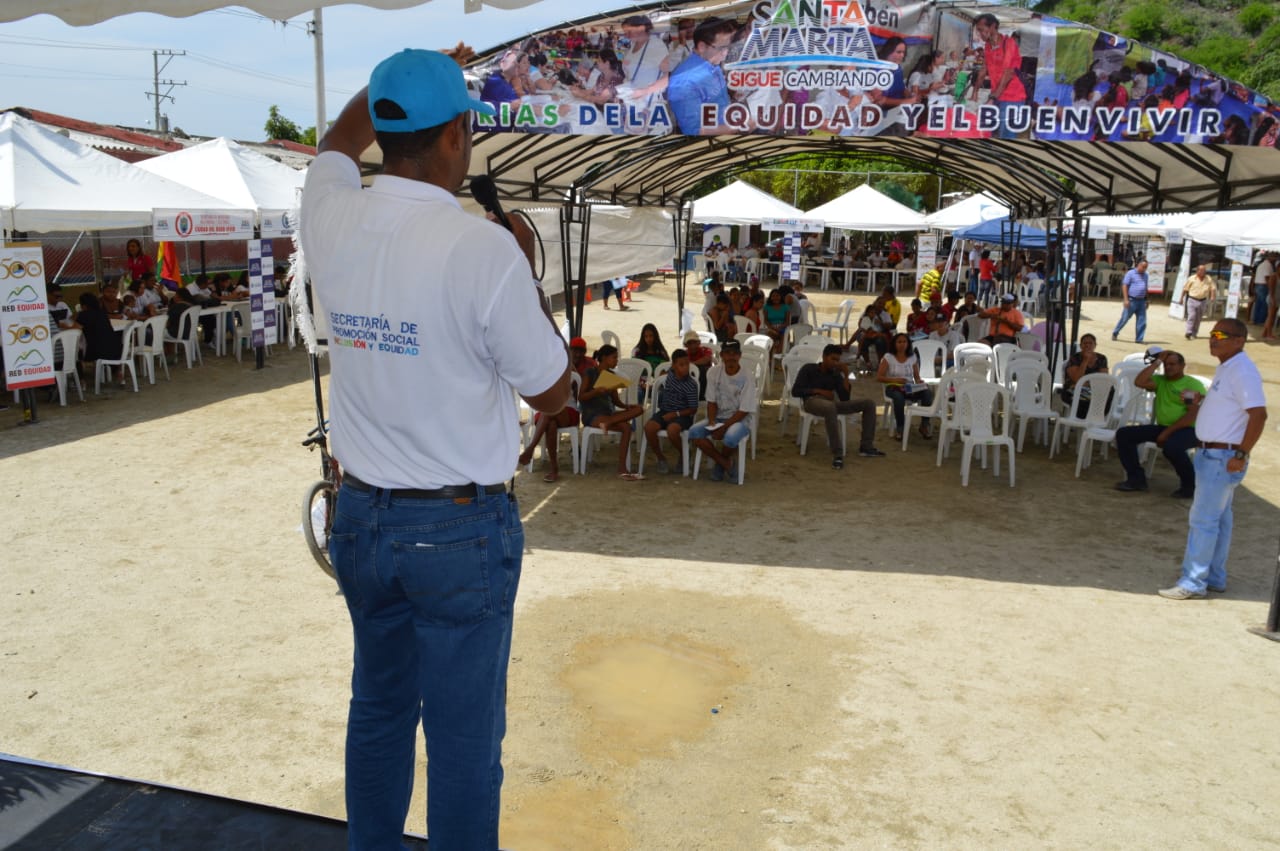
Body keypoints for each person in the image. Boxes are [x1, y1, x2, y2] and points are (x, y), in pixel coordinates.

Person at [299, 47, 571, 847]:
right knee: (462, 745)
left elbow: (337, 144)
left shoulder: (330, 210)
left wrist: (389, 87)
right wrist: (524, 273)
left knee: (379, 713)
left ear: (388, 127)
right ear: (458, 134)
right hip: (456, 533)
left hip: (362, 523)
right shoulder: (481, 249)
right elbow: (553, 390)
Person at [1160, 319, 1267, 599]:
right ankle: (1214, 577)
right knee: (1219, 520)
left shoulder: (1241, 370)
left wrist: (1242, 453)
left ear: (1239, 340)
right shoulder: (1228, 368)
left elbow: (1259, 414)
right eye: (1212, 334)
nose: (1213, 339)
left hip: (1223, 455)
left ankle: (1193, 581)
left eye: (1221, 335)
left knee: (1204, 520)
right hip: (1215, 454)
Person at [1114, 350, 1205, 497]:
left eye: (1173, 364)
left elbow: (1191, 415)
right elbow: (1139, 382)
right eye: (1166, 364)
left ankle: (1190, 485)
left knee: (1172, 447)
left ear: (1182, 366)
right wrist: (1156, 362)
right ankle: (1136, 479)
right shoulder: (1160, 381)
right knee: (1124, 434)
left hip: (1189, 429)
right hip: (1165, 427)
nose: (1168, 367)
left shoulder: (1189, 385)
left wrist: (1167, 433)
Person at [791, 343, 884, 469]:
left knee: (869, 404)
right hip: (812, 401)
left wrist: (845, 376)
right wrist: (818, 391)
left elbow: (845, 398)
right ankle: (837, 453)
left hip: (832, 404)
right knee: (830, 408)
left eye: (837, 360)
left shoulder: (835, 374)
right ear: (824, 357)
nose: (835, 363)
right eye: (832, 359)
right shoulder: (809, 369)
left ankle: (866, 447)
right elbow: (796, 391)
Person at [688, 339, 757, 482]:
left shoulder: (747, 376)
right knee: (694, 432)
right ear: (721, 355)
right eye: (727, 353)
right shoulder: (713, 372)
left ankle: (720, 466)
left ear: (740, 355)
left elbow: (744, 410)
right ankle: (725, 463)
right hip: (718, 417)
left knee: (730, 437)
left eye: (734, 353)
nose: (731, 357)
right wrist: (713, 423)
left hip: (741, 419)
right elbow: (711, 401)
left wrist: (724, 427)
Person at [578, 344, 645, 478]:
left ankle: (622, 467)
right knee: (626, 427)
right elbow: (581, 397)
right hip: (593, 415)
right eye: (614, 358)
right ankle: (622, 466)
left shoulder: (611, 375)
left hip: (608, 415)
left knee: (639, 409)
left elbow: (615, 401)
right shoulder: (590, 373)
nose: (616, 361)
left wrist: (627, 407)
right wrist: (597, 391)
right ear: (604, 358)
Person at [667, 17, 738, 135]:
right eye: (721, 48)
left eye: (728, 47)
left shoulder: (713, 65)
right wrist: (739, 127)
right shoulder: (684, 81)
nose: (726, 54)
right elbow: (694, 131)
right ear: (702, 47)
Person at [643, 348, 700, 474]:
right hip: (665, 411)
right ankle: (661, 458)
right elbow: (660, 379)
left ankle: (684, 454)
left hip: (682, 415)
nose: (685, 368)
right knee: (649, 428)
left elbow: (693, 409)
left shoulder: (691, 384)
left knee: (672, 430)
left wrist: (676, 414)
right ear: (673, 366)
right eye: (681, 365)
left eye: (687, 364)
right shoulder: (670, 376)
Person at [974, 12, 1028, 139]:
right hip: (997, 95)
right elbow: (983, 69)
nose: (980, 34)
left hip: (1012, 98)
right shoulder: (988, 46)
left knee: (1006, 136)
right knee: (991, 133)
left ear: (993, 26)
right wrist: (975, 91)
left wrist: (992, 98)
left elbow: (1008, 74)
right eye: (978, 31)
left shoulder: (1009, 43)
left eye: (982, 30)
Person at [878, 332, 934, 441]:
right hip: (893, 386)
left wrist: (920, 383)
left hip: (909, 387)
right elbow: (879, 377)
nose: (902, 344)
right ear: (894, 344)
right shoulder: (888, 357)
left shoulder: (912, 357)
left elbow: (916, 377)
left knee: (927, 393)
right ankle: (900, 427)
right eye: (899, 342)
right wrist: (895, 380)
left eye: (905, 342)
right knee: (899, 398)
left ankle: (924, 424)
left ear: (908, 344)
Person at [1059, 333, 1109, 415]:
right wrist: (1085, 360)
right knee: (1082, 397)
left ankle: (1097, 418)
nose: (1088, 346)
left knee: (1110, 392)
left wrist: (1087, 384)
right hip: (1073, 390)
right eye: (1085, 343)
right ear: (1081, 346)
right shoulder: (1075, 358)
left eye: (1090, 343)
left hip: (1093, 390)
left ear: (1095, 345)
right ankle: (1081, 421)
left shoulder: (1101, 358)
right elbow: (1077, 379)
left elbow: (1103, 379)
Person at [1111, 259, 1150, 343]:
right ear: (1138, 265)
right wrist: (1126, 299)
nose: (1144, 269)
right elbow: (1125, 285)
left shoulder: (1146, 275)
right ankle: (1115, 332)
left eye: (1146, 267)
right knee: (1125, 318)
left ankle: (1139, 339)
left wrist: (1147, 300)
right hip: (1132, 300)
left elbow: (1145, 287)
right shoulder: (1130, 273)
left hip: (1141, 301)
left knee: (1142, 320)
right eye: (1143, 267)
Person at [1181, 264, 1215, 339]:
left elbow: (1212, 288)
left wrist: (1212, 296)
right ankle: (1188, 331)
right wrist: (1181, 299)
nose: (1203, 272)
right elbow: (1185, 289)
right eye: (1201, 270)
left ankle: (1194, 333)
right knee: (1191, 316)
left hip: (1202, 300)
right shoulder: (1192, 278)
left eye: (1204, 270)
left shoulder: (1208, 278)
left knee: (1198, 318)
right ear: (1197, 271)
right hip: (1192, 300)